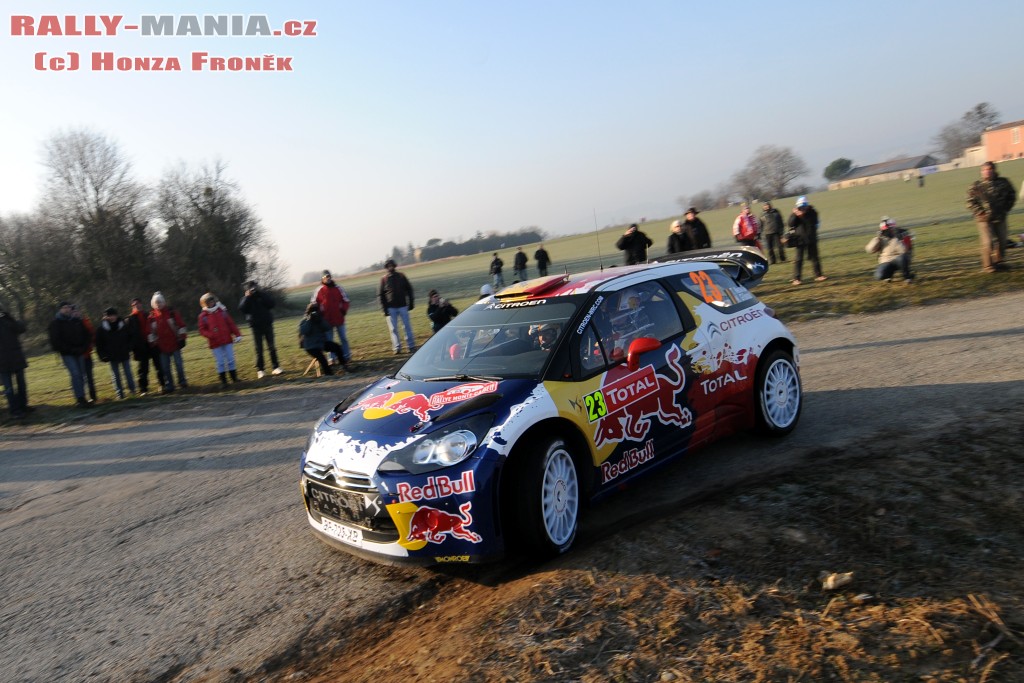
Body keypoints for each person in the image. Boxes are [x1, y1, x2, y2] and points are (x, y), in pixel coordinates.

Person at [967, 161, 1017, 274]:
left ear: (994, 170)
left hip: (1000, 216)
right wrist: (980, 213)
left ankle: (999, 262)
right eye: (984, 170)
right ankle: (988, 266)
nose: (987, 172)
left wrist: (1006, 208)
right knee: (988, 242)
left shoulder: (1004, 183)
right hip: (984, 219)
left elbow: (1012, 195)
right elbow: (970, 202)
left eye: (989, 169)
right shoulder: (976, 186)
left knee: (1002, 241)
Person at [48, 301, 91, 406]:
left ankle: (83, 397)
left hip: (80, 351)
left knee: (81, 375)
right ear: (60, 309)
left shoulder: (76, 321)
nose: (67, 309)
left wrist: (83, 347)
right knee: (75, 374)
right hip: (67, 353)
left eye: (68, 307)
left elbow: (86, 335)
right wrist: (70, 349)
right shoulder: (56, 323)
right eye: (64, 308)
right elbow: (55, 341)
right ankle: (79, 398)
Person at [239, 280, 282, 378]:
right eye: (252, 288)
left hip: (267, 324)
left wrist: (262, 294)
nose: (254, 289)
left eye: (255, 287)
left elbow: (272, 304)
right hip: (255, 326)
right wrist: (247, 297)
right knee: (259, 349)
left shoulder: (263, 295)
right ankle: (260, 370)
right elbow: (242, 309)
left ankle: (276, 367)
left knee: (271, 347)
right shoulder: (246, 298)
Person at [198, 293, 243, 386]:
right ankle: (224, 381)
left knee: (231, 359)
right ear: (205, 303)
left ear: (215, 301)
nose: (211, 303)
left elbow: (231, 324)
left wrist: (237, 334)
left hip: (227, 339)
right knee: (220, 362)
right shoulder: (203, 316)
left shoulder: (222, 311)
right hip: (215, 342)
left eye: (212, 301)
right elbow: (202, 330)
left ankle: (234, 378)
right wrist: (211, 335)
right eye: (208, 302)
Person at [148, 291, 188, 393]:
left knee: (178, 364)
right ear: (153, 304)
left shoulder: (172, 312)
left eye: (160, 302)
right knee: (165, 368)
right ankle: (169, 385)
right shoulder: (151, 317)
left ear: (164, 302)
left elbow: (181, 325)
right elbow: (150, 333)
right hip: (161, 346)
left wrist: (182, 338)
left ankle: (182, 381)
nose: (158, 304)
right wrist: (154, 344)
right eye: (156, 303)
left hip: (175, 343)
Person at [95, 307, 137, 399]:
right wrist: (102, 355)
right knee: (116, 375)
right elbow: (99, 344)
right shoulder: (101, 329)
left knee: (128, 373)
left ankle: (133, 390)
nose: (112, 317)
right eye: (109, 316)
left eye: (113, 315)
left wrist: (129, 347)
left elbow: (131, 336)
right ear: (105, 317)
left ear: (117, 315)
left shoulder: (124, 325)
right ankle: (120, 393)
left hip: (124, 353)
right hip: (112, 355)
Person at [311, 271, 351, 367]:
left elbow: (346, 301)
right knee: (329, 341)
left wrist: (343, 310)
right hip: (326, 321)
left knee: (343, 338)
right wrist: (317, 314)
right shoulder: (319, 290)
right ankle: (331, 359)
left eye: (329, 277)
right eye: (325, 277)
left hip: (339, 319)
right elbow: (313, 304)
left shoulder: (338, 288)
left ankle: (346, 356)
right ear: (322, 279)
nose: (328, 279)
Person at [378, 259, 416, 354]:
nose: (390, 267)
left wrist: (411, 302)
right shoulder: (383, 279)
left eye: (391, 265)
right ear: (386, 267)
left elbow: (409, 289)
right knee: (393, 329)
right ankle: (397, 347)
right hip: (391, 308)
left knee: (407, 326)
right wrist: (384, 309)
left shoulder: (402, 276)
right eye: (388, 266)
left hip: (403, 305)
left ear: (394, 266)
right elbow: (380, 295)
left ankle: (411, 346)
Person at [787, 196, 826, 285]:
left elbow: (812, 223)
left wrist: (802, 216)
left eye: (804, 206)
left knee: (815, 258)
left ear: (807, 205)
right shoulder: (795, 213)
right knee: (799, 259)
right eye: (801, 206)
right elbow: (790, 223)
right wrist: (794, 215)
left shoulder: (813, 212)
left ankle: (818, 275)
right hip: (800, 239)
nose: (803, 208)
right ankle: (796, 278)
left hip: (811, 238)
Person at [127, 297, 163, 395]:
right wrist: (133, 348)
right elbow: (130, 335)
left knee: (158, 365)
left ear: (141, 304)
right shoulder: (130, 319)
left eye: (138, 304)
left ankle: (163, 385)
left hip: (152, 344)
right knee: (143, 369)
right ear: (132, 307)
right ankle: (143, 389)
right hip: (140, 347)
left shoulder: (148, 315)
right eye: (135, 305)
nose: (137, 306)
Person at [0, 303, 30, 419]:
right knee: (9, 388)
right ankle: (14, 410)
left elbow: (21, 329)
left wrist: (9, 317)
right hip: (2, 361)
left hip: (16, 357)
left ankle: (23, 405)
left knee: (21, 384)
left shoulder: (7, 320)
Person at [299, 302, 343, 376]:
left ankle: (343, 366)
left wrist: (320, 319)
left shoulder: (320, 319)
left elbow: (327, 328)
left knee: (337, 347)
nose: (315, 312)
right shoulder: (304, 321)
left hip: (321, 343)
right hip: (310, 346)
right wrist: (310, 320)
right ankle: (328, 374)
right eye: (313, 311)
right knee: (323, 360)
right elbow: (305, 331)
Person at [866, 217, 914, 284]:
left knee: (902, 258)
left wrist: (897, 239)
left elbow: (904, 251)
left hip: (898, 260)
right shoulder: (880, 238)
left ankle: (907, 277)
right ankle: (888, 276)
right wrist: (877, 239)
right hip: (885, 261)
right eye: (886, 230)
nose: (888, 231)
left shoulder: (899, 236)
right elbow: (869, 250)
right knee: (879, 276)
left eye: (891, 229)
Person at [75, 307, 98, 403]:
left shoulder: (85, 322)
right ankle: (83, 397)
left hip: (87, 354)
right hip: (78, 355)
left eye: (78, 311)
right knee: (81, 378)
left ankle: (93, 396)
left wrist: (90, 345)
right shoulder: (72, 324)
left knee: (89, 377)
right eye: (75, 311)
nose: (77, 313)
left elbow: (92, 334)